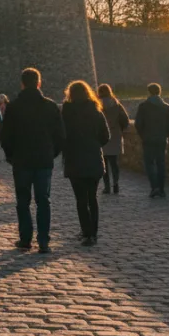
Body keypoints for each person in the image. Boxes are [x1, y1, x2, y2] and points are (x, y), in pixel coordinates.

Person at [1, 67, 65, 254]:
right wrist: (51, 153)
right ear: (39, 83)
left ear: (22, 83)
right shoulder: (50, 106)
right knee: (43, 200)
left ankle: (25, 239)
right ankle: (44, 240)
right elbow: (60, 136)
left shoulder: (13, 107)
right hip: (43, 160)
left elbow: (6, 137)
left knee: (23, 201)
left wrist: (12, 156)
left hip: (21, 161)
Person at [62, 81, 111, 247]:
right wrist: (94, 145)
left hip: (75, 160)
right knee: (92, 198)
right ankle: (93, 233)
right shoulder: (96, 112)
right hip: (93, 160)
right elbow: (106, 136)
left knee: (81, 200)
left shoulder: (67, 113)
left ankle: (86, 231)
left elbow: (61, 136)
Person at [135, 83, 169, 198]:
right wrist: (165, 135)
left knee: (149, 164)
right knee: (161, 163)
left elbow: (138, 124)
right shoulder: (166, 107)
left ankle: (154, 187)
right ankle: (162, 189)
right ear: (159, 92)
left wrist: (143, 135)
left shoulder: (143, 107)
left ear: (149, 92)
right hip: (161, 139)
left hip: (148, 139)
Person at [98, 84, 130, 195]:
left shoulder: (97, 105)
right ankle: (116, 184)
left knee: (104, 164)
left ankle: (107, 187)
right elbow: (125, 120)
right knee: (114, 163)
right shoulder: (116, 104)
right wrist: (119, 129)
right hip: (115, 136)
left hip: (101, 136)